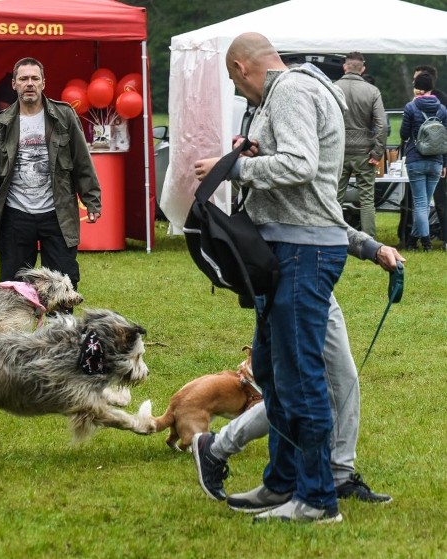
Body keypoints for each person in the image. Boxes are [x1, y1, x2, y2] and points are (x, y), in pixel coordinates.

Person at [194, 33, 350, 523]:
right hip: (287, 250)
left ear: (241, 68)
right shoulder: (289, 93)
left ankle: (318, 500)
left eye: (236, 86)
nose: (242, 96)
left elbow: (301, 165)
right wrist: (256, 151)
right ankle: (281, 485)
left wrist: (238, 166)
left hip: (305, 251)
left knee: (302, 382)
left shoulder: (292, 91)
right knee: (275, 377)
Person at [192, 228, 402, 505]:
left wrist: (370, 247)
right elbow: (298, 215)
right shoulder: (275, 185)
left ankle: (335, 475)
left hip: (313, 275)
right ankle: (226, 451)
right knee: (299, 393)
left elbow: (322, 215)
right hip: (290, 276)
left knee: (332, 384)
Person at [0, 58, 101, 289]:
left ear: (44, 83)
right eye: (24, 79)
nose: (30, 84)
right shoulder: (2, 123)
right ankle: (18, 327)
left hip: (57, 212)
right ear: (14, 84)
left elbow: (81, 160)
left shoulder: (64, 116)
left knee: (62, 285)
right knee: (14, 288)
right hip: (15, 214)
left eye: (35, 78)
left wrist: (91, 200)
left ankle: (60, 326)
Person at [335, 52, 387, 238]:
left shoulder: (333, 89)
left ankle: (334, 237)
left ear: (345, 66)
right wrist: (377, 152)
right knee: (366, 199)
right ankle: (369, 240)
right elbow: (382, 124)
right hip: (365, 152)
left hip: (338, 152)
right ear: (363, 69)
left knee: (335, 198)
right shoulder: (372, 91)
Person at [400, 72, 447, 252]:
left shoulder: (411, 107)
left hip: (416, 160)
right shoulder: (442, 109)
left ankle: (425, 242)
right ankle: (412, 240)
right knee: (425, 204)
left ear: (417, 88)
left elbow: (404, 134)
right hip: (436, 161)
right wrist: (444, 162)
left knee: (420, 204)